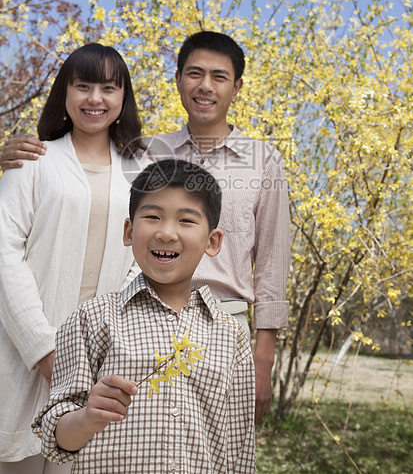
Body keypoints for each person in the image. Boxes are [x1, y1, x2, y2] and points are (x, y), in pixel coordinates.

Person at [1, 30, 291, 423]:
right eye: (194, 74)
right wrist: (15, 153)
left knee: (221, 449)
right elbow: (90, 157)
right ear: (177, 79)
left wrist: (264, 356)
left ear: (236, 86)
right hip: (146, 322)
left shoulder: (264, 161)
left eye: (219, 77)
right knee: (145, 447)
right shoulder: (145, 152)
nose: (205, 86)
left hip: (225, 324)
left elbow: (273, 261)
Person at [32, 159, 256, 473]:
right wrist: (86, 418)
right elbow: (55, 438)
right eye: (152, 217)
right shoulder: (92, 319)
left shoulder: (230, 334)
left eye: (186, 221)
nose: (166, 233)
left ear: (213, 242)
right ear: (129, 230)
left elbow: (239, 450)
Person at [0, 43, 151, 472]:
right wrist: (45, 349)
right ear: (64, 95)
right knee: (19, 458)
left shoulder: (138, 174)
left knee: (82, 461)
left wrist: (101, 347)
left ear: (123, 99)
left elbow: (139, 262)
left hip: (98, 357)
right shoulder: (33, 161)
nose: (95, 99)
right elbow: (3, 254)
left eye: (108, 87)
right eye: (82, 86)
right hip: (23, 349)